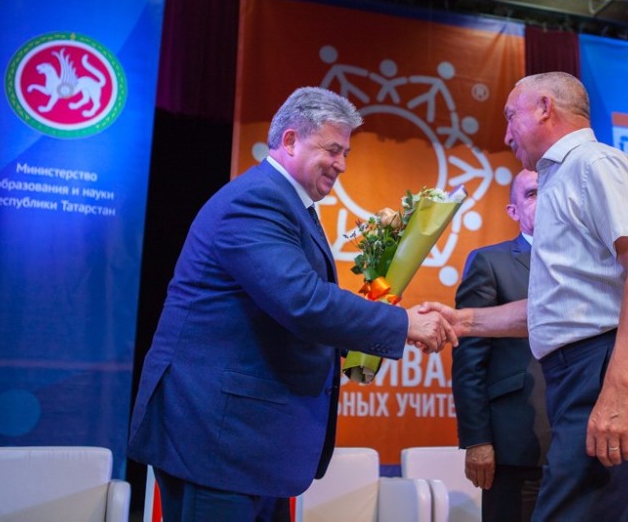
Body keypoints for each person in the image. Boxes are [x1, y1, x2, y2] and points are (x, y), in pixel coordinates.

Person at [127, 87, 455, 521]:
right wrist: (402, 324)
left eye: (346, 153)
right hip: (217, 442)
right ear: (290, 140)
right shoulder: (255, 201)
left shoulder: (287, 203)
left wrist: (373, 328)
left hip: (249, 446)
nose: (342, 164)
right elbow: (302, 301)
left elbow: (290, 308)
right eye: (333, 150)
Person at [424, 71, 628, 519]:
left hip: (602, 366)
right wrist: (462, 321)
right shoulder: (561, 178)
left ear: (544, 108)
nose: (506, 135)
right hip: (581, 370)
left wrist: (617, 391)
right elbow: (556, 307)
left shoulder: (594, 164)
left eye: (510, 116)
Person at [452, 169, 550, 522]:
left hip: (579, 442)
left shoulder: (585, 264)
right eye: (533, 193)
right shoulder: (490, 262)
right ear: (513, 211)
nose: (545, 198)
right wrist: (477, 439)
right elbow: (469, 361)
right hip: (515, 443)